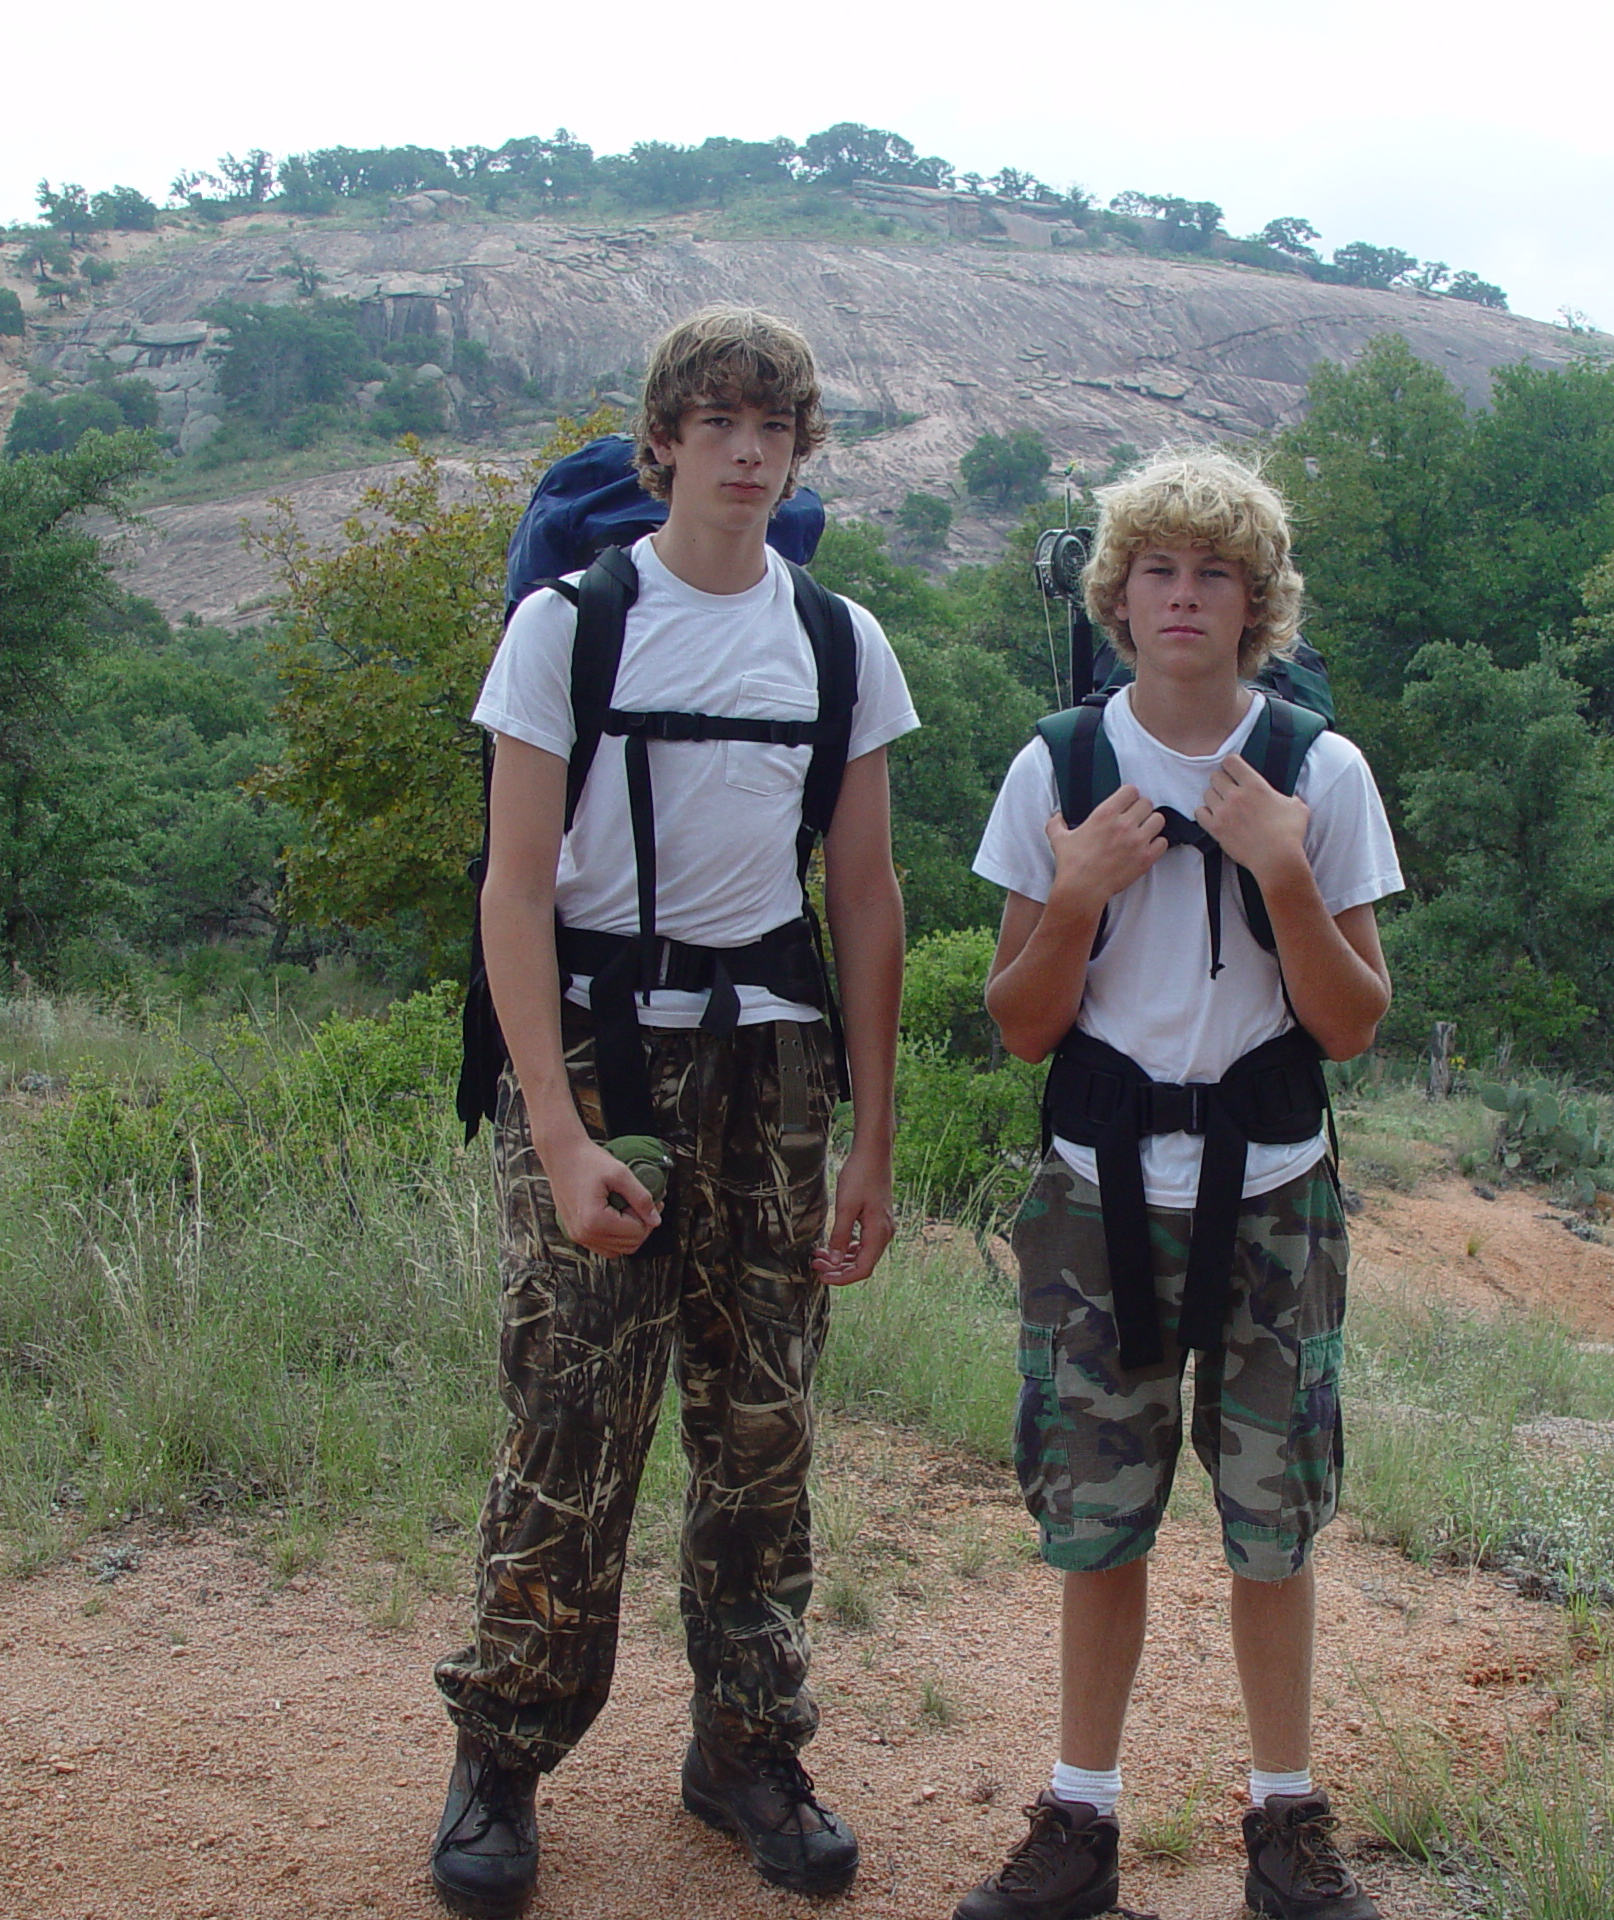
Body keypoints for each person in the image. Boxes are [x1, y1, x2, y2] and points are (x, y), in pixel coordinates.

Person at [428, 306, 913, 1916]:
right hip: (601, 1051)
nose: (746, 446)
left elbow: (864, 893)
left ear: (800, 447)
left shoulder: (841, 644)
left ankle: (748, 1748)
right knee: (573, 1416)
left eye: (773, 422)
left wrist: (875, 1138)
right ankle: (501, 1755)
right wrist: (557, 1135)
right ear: (664, 442)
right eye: (715, 418)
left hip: (773, 1062)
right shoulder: (571, 627)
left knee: (761, 1422)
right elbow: (512, 883)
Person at [957, 447, 1401, 1920]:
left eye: (1218, 573)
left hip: (1273, 1188)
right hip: (1097, 1192)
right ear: (1118, 596)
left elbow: (1349, 1022)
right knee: (1100, 1517)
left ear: (1259, 604)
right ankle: (1080, 1821)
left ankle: (1286, 1822)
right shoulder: (1061, 766)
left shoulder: (1319, 773)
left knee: (1272, 1519)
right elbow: (1022, 1023)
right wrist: (1079, 888)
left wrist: (1280, 869)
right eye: (1159, 571)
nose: (1186, 597)